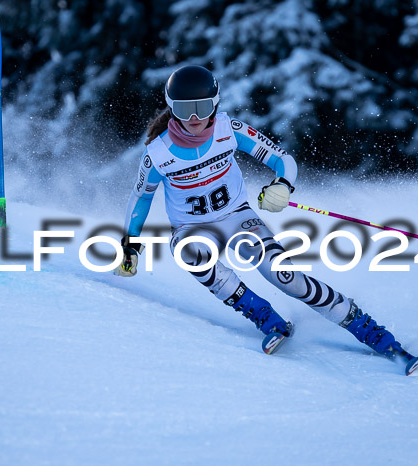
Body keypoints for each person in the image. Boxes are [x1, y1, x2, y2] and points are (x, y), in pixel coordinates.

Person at [115, 64, 400, 358]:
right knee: (190, 252)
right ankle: (265, 317)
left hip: (238, 217)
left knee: (283, 275)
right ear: (172, 108)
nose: (195, 118)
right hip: (192, 229)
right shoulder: (158, 154)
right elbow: (141, 198)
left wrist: (283, 185)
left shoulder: (229, 130)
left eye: (202, 107)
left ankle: (366, 328)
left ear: (215, 103)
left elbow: (283, 160)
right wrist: (130, 246)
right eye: (185, 109)